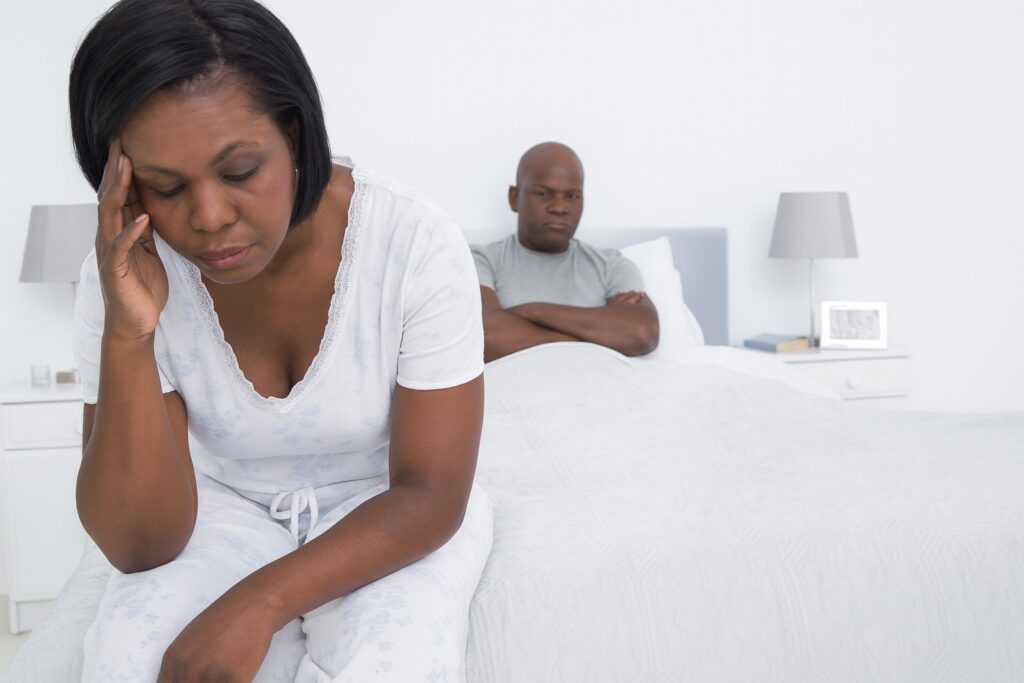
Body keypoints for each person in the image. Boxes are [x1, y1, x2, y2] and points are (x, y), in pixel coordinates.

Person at [65, 1, 491, 680]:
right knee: (127, 660)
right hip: (219, 505)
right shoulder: (121, 274)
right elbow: (139, 542)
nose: (209, 218)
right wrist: (128, 333)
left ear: (294, 134)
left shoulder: (415, 244)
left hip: (386, 504)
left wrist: (259, 603)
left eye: (239, 172)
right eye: (167, 187)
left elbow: (432, 493)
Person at [471, 143, 659, 362]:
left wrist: (531, 312)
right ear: (514, 198)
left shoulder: (611, 265)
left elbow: (642, 332)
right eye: (543, 193)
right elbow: (487, 336)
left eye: (572, 196)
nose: (559, 207)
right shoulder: (482, 260)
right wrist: (601, 337)